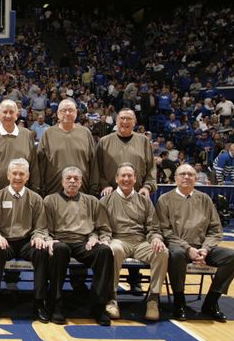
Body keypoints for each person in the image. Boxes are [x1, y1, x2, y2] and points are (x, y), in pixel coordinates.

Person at [156, 164, 234, 322]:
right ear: (175, 178)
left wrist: (205, 249)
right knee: (175, 254)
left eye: (190, 174)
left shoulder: (205, 199)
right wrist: (188, 249)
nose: (187, 177)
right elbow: (165, 231)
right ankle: (179, 301)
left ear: (196, 179)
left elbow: (216, 230)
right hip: (179, 248)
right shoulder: (165, 199)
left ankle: (211, 302)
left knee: (232, 257)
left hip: (202, 248)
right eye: (182, 174)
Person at [41, 166, 114, 326]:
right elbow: (43, 227)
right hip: (60, 240)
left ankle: (99, 305)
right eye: (68, 178)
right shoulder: (50, 200)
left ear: (81, 182)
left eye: (76, 178)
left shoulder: (92, 201)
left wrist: (98, 238)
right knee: (58, 249)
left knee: (104, 251)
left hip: (84, 242)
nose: (72, 181)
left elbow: (104, 228)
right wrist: (48, 239)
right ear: (62, 181)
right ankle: (56, 304)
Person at [96, 108, 157, 294]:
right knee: (115, 234)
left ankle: (135, 279)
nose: (124, 122)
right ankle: (110, 288)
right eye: (121, 118)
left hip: (138, 196)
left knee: (138, 232)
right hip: (112, 195)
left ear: (135, 121)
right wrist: (105, 185)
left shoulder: (144, 142)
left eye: (128, 119)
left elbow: (151, 169)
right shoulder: (104, 142)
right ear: (116, 120)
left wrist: (147, 186)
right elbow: (96, 168)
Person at [0, 158, 50, 322]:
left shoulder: (35, 199)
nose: (17, 177)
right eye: (14, 173)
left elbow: (41, 227)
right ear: (8, 175)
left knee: (42, 252)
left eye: (21, 174)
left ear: (27, 177)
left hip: (26, 241)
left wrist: (38, 237)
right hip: (4, 240)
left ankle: (39, 302)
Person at [102, 164, 168, 321]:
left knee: (162, 251)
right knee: (114, 250)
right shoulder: (106, 200)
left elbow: (153, 227)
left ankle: (153, 299)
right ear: (117, 178)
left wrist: (156, 238)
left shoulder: (144, 201)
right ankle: (111, 298)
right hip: (117, 239)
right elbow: (102, 227)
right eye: (123, 176)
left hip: (140, 242)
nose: (126, 179)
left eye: (130, 176)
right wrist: (105, 238)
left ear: (135, 179)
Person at [0, 99, 40, 200]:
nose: (8, 115)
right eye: (5, 112)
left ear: (17, 114)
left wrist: (34, 190)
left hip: (22, 197)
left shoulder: (27, 135)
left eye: (11, 112)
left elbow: (34, 166)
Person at [37, 97, 99, 196]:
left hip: (82, 190)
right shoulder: (48, 133)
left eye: (70, 110)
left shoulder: (85, 132)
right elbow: (41, 162)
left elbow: (93, 161)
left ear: (76, 113)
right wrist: (41, 188)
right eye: (63, 110)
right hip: (54, 190)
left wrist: (93, 187)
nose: (67, 113)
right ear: (57, 114)